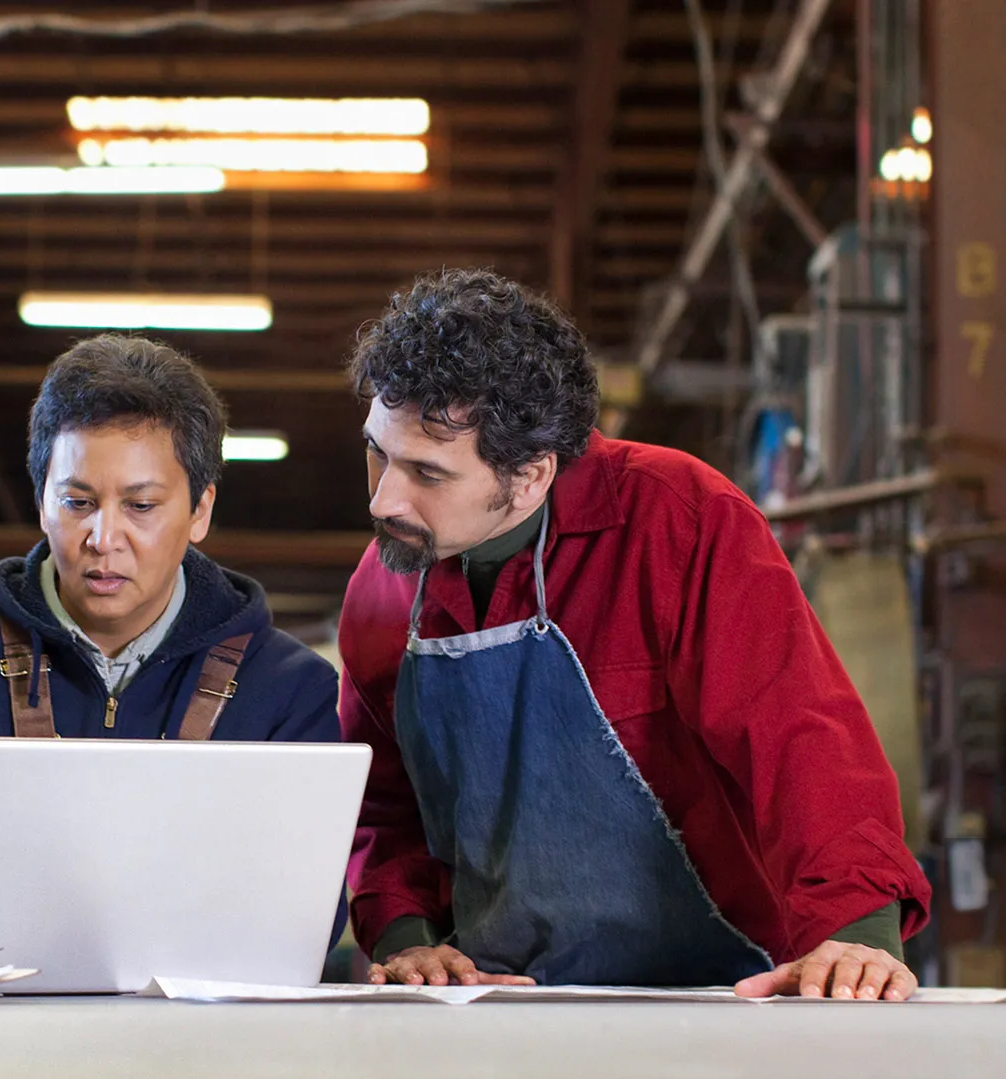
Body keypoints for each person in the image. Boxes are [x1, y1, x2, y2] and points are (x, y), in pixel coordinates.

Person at [340, 269, 933, 1000]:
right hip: (504, 1002)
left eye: (427, 473)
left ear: (530, 476)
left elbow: (800, 736)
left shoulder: (679, 521)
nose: (383, 498)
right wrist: (406, 936)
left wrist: (857, 929)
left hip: (727, 996)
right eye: (378, 452)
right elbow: (382, 805)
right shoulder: (381, 585)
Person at [0, 333, 341, 968]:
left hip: (199, 1053)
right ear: (40, 501)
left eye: (141, 506)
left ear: (200, 510)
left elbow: (309, 917)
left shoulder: (287, 690)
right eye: (77, 502)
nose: (103, 537)